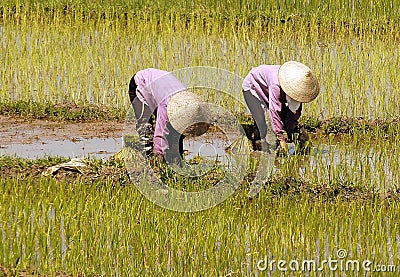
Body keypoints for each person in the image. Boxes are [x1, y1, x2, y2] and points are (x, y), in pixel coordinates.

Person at [128, 68, 210, 164]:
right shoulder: (167, 107)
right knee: (146, 128)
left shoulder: (187, 101)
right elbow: (160, 134)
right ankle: (148, 160)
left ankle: (175, 158)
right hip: (141, 82)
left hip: (161, 86)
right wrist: (159, 159)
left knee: (175, 132)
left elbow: (180, 131)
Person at [242, 61, 320, 153]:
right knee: (261, 124)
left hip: (270, 89)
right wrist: (281, 139)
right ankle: (257, 145)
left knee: (290, 125)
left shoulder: (299, 92)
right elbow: (274, 111)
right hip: (252, 87)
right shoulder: (276, 85)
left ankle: (302, 146)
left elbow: (293, 115)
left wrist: (291, 131)